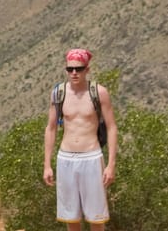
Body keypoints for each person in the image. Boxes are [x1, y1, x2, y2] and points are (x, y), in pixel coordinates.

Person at [43, 48, 117, 231]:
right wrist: (47, 164)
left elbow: (112, 127)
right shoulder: (58, 93)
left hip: (91, 157)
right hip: (65, 158)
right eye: (70, 69)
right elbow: (50, 128)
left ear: (87, 69)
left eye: (79, 69)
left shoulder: (99, 93)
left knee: (96, 218)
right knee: (71, 217)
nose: (74, 73)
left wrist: (111, 164)